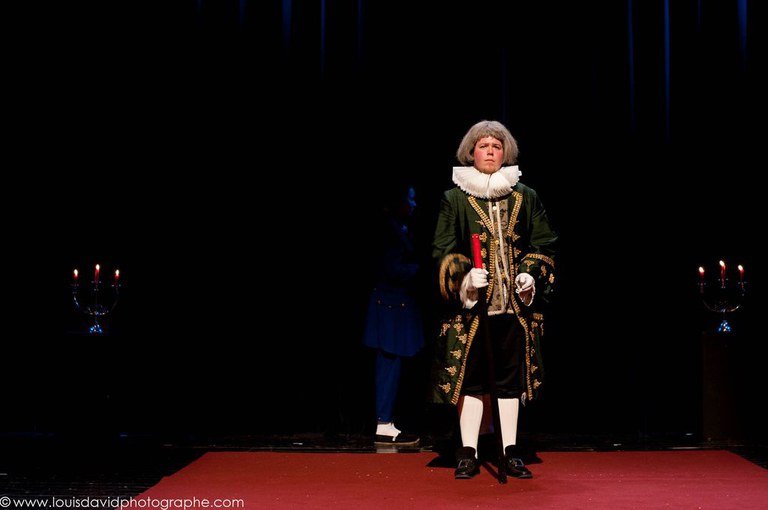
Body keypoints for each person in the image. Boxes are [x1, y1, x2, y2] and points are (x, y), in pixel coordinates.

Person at [428, 120, 557, 479]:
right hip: (470, 310)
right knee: (471, 381)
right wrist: (464, 277)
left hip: (513, 309)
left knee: (509, 381)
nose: (489, 151)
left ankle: (509, 450)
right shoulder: (455, 198)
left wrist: (530, 273)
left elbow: (544, 243)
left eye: (496, 146)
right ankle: (468, 452)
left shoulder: (525, 196)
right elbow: (442, 249)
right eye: (483, 145)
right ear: (471, 152)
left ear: (505, 153)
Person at [362, 182, 425, 446]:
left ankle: (388, 420)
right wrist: (423, 269)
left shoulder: (399, 228)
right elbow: (391, 269)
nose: (414, 204)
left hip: (398, 306)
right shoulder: (387, 231)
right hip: (389, 307)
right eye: (410, 199)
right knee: (388, 363)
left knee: (395, 364)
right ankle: (383, 422)